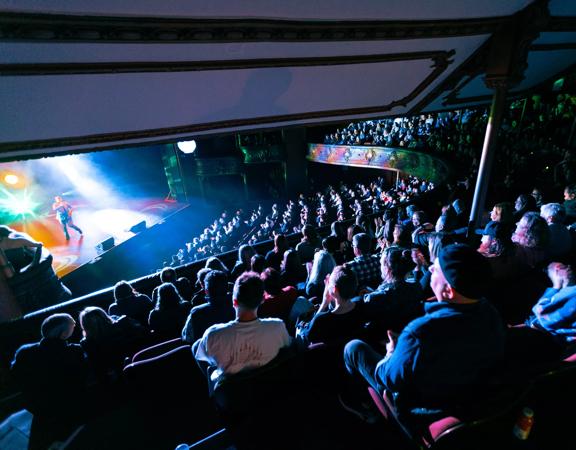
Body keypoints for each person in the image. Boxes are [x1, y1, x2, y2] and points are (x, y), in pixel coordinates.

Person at [342, 244, 506, 417]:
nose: (430, 268)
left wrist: (391, 353)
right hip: (468, 394)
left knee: (353, 348)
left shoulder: (420, 332)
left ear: (449, 291)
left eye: (436, 269)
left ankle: (363, 404)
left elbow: (389, 378)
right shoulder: (491, 312)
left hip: (424, 407)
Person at [193, 272, 291, 385]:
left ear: (234, 302)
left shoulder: (213, 335)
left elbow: (207, 361)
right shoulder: (278, 327)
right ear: (263, 299)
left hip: (233, 398)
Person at [11, 313, 87, 449]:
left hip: (39, 410)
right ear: (64, 333)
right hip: (69, 408)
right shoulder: (74, 351)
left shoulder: (25, 352)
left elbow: (16, 378)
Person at [526, 262, 576, 347]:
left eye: (561, 266)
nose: (569, 266)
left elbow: (544, 320)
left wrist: (556, 286)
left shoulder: (572, 293)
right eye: (564, 266)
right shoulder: (558, 296)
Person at [182, 270, 235, 344]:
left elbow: (187, 338)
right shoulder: (240, 304)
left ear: (206, 291)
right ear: (227, 287)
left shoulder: (196, 313)